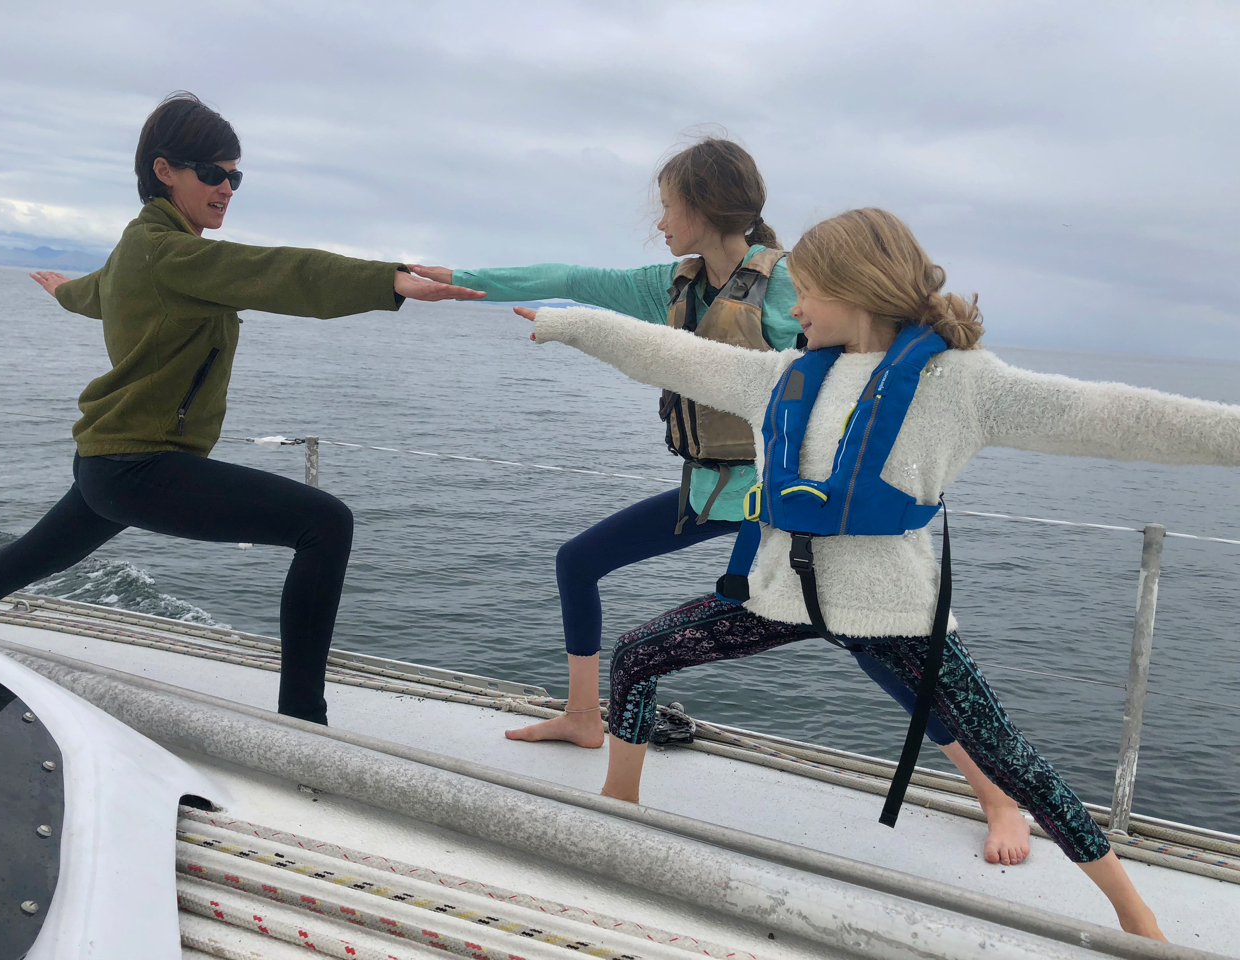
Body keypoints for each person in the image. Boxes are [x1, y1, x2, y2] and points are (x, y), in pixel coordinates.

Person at [521, 207, 1240, 939]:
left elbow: (1115, 416)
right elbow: (668, 355)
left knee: (1012, 760)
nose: (795, 306)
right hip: (778, 598)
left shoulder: (961, 384)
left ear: (856, 287)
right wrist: (566, 323)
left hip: (893, 613)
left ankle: (1135, 915)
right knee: (638, 655)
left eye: (808, 290)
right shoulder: (782, 375)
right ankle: (619, 814)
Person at [415, 139, 1034, 866]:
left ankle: (998, 795)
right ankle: (584, 718)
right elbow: (573, 280)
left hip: (780, 503)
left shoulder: (790, 284)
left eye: (667, 207)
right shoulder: (673, 284)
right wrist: (463, 280)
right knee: (577, 561)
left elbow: (873, 342)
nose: (659, 222)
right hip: (711, 489)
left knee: (868, 638)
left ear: (705, 208)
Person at [0, 92, 483, 725]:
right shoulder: (169, 253)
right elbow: (276, 271)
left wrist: (63, 290)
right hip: (138, 466)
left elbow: (96, 293)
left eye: (236, 176)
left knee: (19, 563)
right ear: (164, 171)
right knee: (325, 525)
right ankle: (303, 722)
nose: (227, 188)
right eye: (213, 173)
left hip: (106, 462)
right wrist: (388, 280)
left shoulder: (140, 251)